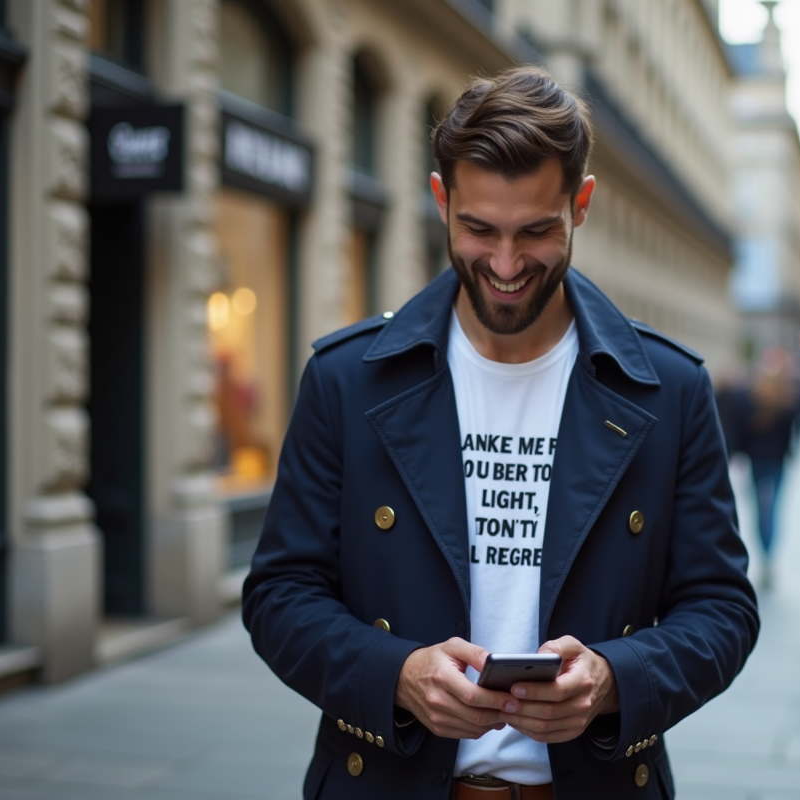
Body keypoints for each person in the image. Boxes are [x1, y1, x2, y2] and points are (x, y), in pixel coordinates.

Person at [243, 67, 759, 799]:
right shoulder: (348, 378)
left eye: (536, 231)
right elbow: (279, 595)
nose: (507, 265)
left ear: (580, 206)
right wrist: (397, 676)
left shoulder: (666, 389)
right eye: (479, 229)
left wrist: (615, 681)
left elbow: (723, 609)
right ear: (440, 200)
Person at [737, 358, 799, 589]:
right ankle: (768, 556)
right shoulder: (785, 404)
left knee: (758, 509)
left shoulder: (750, 401)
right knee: (772, 508)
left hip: (756, 461)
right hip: (777, 462)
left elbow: (741, 434)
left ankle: (764, 554)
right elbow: (790, 437)